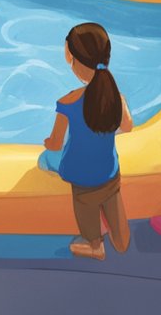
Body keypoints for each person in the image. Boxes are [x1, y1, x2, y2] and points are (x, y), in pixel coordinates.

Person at [39, 23, 133, 261]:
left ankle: (93, 243)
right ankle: (121, 237)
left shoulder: (67, 102)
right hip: (110, 172)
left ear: (73, 59)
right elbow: (127, 127)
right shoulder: (116, 97)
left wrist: (48, 143)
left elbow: (56, 144)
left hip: (81, 179)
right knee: (111, 197)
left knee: (47, 161)